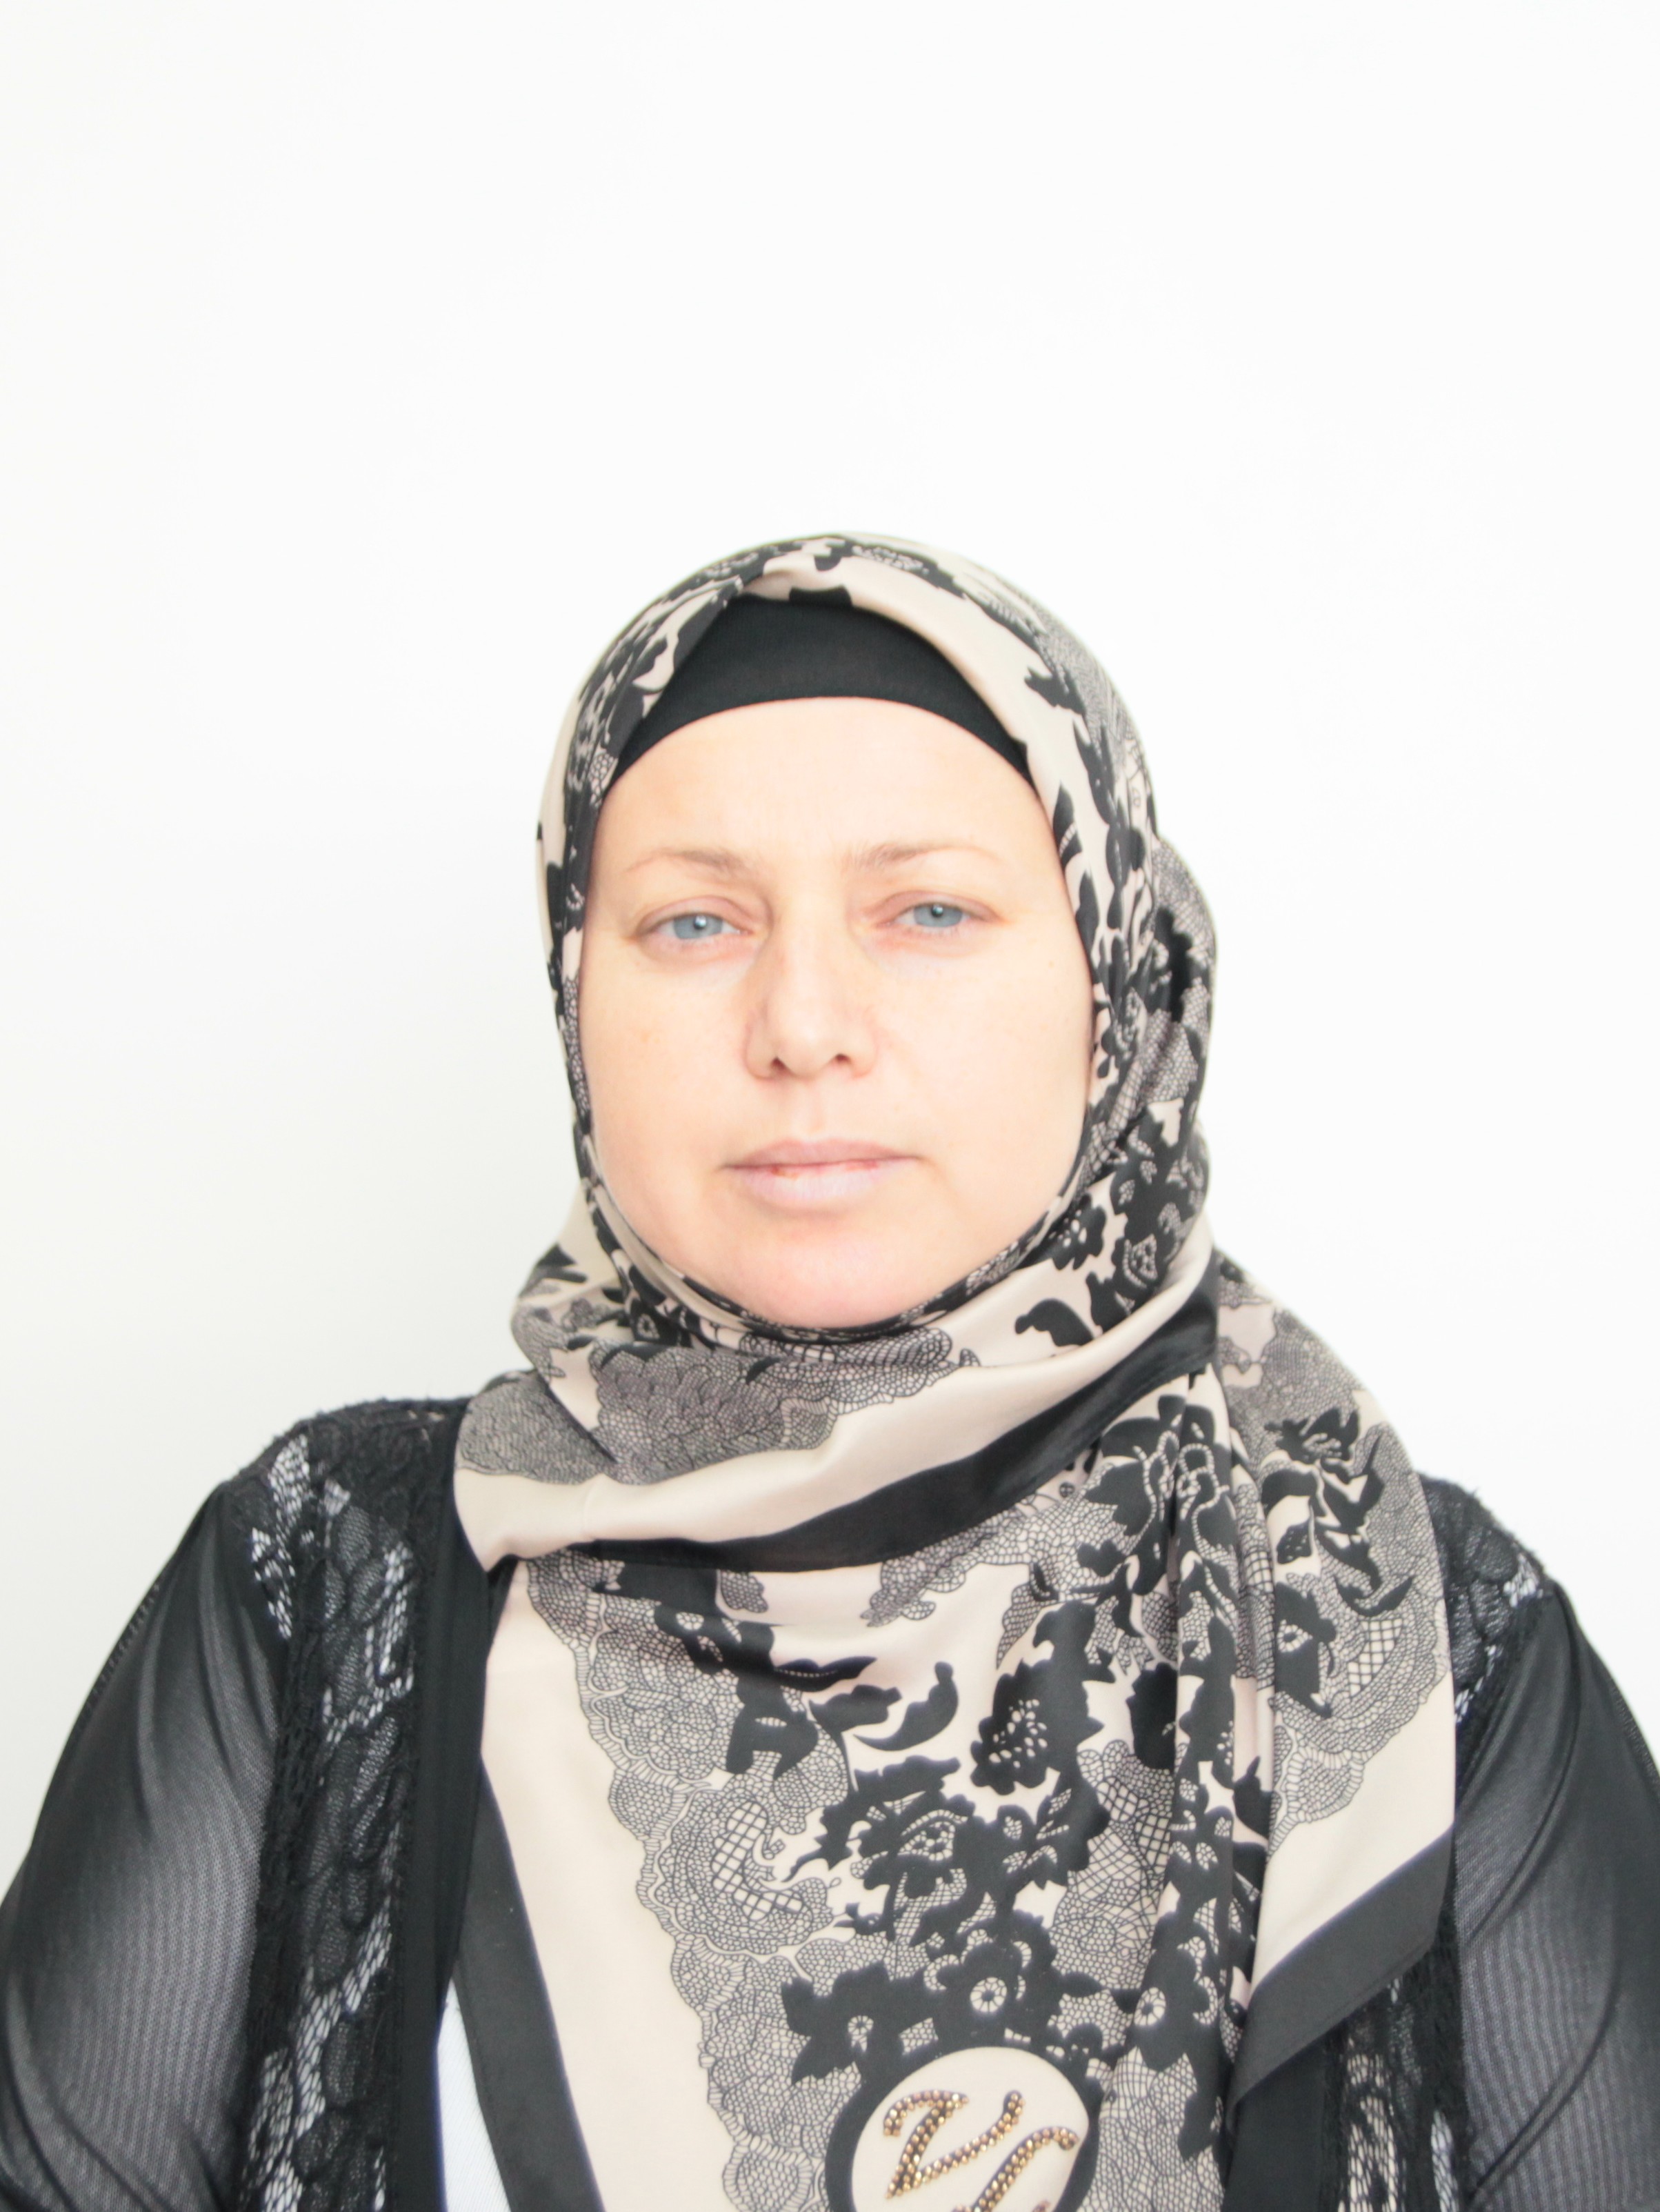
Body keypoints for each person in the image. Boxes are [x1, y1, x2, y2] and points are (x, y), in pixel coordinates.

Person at [1, 532, 1656, 2212]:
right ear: (576, 992)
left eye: (928, 910)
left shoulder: (1412, 1623)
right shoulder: (322, 1577)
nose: (802, 1021)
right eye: (693, 919)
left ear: (1114, 981)